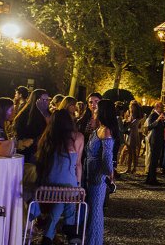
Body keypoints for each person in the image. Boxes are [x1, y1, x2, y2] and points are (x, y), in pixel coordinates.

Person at [35, 109, 84, 245]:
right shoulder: (78, 137)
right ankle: (68, 226)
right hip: (67, 187)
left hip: (46, 187)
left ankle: (48, 236)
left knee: (61, 196)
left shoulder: (46, 137)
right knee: (68, 192)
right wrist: (78, 184)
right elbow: (78, 165)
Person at [85, 100, 114, 245]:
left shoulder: (105, 131)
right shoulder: (98, 129)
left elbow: (107, 158)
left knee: (95, 212)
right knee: (92, 211)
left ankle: (94, 241)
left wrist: (109, 174)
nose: (94, 111)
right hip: (91, 174)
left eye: (96, 109)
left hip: (97, 177)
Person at [13, 89, 50, 162]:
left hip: (42, 150)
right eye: (43, 100)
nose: (47, 102)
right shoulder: (25, 114)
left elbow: (51, 127)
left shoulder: (47, 114)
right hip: (29, 150)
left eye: (47, 99)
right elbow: (18, 130)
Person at [145, 102, 165, 185]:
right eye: (162, 107)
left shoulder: (162, 115)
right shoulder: (153, 115)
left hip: (160, 139)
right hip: (154, 140)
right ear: (157, 107)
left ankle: (150, 178)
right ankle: (152, 179)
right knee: (154, 160)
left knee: (155, 159)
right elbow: (149, 127)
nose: (163, 109)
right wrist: (158, 120)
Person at [120, 101, 142, 174]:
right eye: (130, 106)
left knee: (133, 152)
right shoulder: (130, 114)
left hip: (133, 134)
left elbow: (132, 125)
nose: (131, 108)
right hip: (129, 134)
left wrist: (126, 122)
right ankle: (129, 168)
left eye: (132, 106)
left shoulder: (137, 116)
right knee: (129, 152)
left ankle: (134, 168)